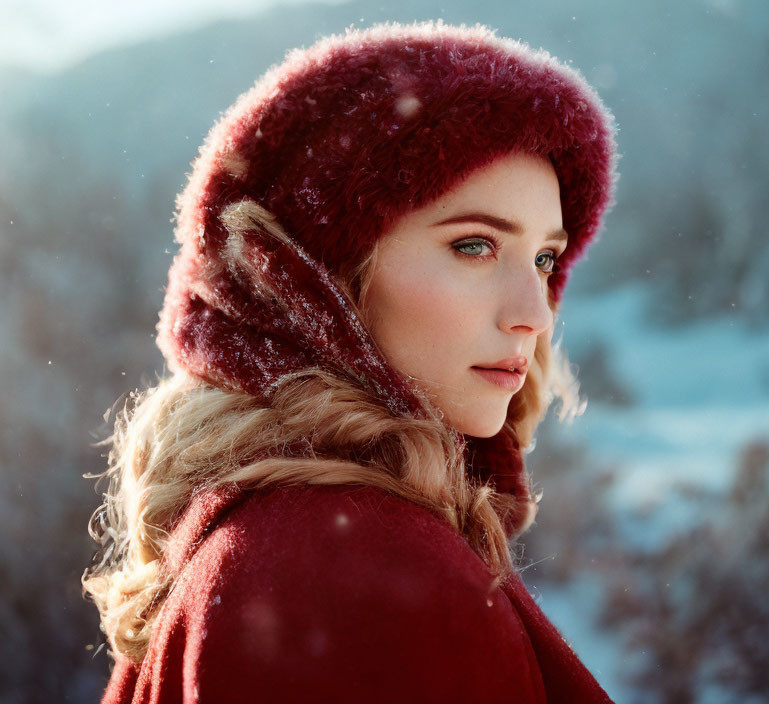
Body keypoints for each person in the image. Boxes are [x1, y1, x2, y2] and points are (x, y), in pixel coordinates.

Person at [84, 18, 619, 703]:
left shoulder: (281, 532)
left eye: (545, 258)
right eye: (475, 246)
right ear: (321, 275)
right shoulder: (357, 574)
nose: (536, 314)